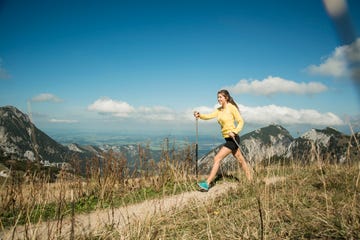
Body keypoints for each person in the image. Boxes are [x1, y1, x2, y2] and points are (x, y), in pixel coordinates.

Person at [194, 89, 252, 191]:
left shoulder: (231, 108)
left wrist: (234, 131)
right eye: (218, 97)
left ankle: (207, 183)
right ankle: (251, 181)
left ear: (226, 98)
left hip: (233, 138)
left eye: (220, 97)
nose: (219, 99)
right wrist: (200, 115)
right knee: (241, 160)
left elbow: (241, 121)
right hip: (228, 138)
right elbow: (209, 116)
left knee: (217, 158)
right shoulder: (219, 110)